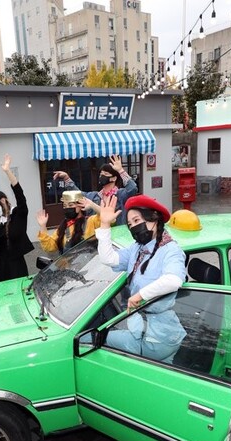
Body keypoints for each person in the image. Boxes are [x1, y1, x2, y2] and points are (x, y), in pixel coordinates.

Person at [95, 194, 187, 363]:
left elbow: (173, 280)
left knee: (93, 339)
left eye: (137, 220)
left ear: (154, 218)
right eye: (130, 224)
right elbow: (109, 259)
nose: (134, 227)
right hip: (142, 326)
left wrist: (139, 295)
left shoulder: (170, 250)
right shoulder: (137, 249)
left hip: (158, 336)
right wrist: (105, 224)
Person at [0, 154, 34, 281]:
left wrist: (7, 171)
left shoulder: (18, 213)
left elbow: (20, 196)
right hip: (1, 264)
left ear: (3, 200)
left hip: (16, 263)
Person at [53, 154, 137, 226]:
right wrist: (66, 178)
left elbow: (132, 188)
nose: (101, 176)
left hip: (117, 235)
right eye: (100, 174)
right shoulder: (93, 196)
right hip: (98, 235)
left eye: (105, 174)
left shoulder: (120, 194)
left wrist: (120, 170)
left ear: (113, 178)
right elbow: (78, 194)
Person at [36, 190, 100, 254]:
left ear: (80, 205)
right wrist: (43, 226)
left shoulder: (91, 221)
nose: (67, 208)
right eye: (65, 206)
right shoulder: (63, 228)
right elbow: (49, 247)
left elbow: (105, 217)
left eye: (70, 205)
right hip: (69, 260)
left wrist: (92, 205)